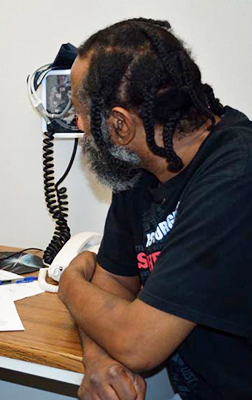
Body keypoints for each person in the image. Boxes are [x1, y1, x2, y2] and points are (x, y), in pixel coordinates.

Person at [57, 18, 252, 399]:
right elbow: (112, 286)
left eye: (80, 111)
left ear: (120, 125)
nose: (77, 123)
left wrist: (68, 284)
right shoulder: (143, 165)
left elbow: (138, 344)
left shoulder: (236, 175)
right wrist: (96, 359)